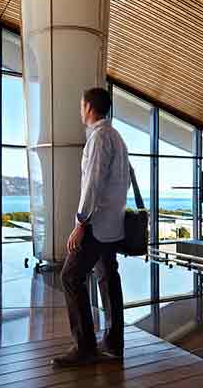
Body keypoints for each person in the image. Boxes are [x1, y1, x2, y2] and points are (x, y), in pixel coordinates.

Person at [53, 87, 130, 367]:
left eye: (81, 105)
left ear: (88, 108)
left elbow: (92, 184)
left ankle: (85, 347)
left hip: (96, 224)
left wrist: (81, 222)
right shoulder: (117, 137)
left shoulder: (99, 138)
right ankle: (113, 344)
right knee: (109, 279)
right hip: (113, 223)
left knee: (70, 278)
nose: (80, 110)